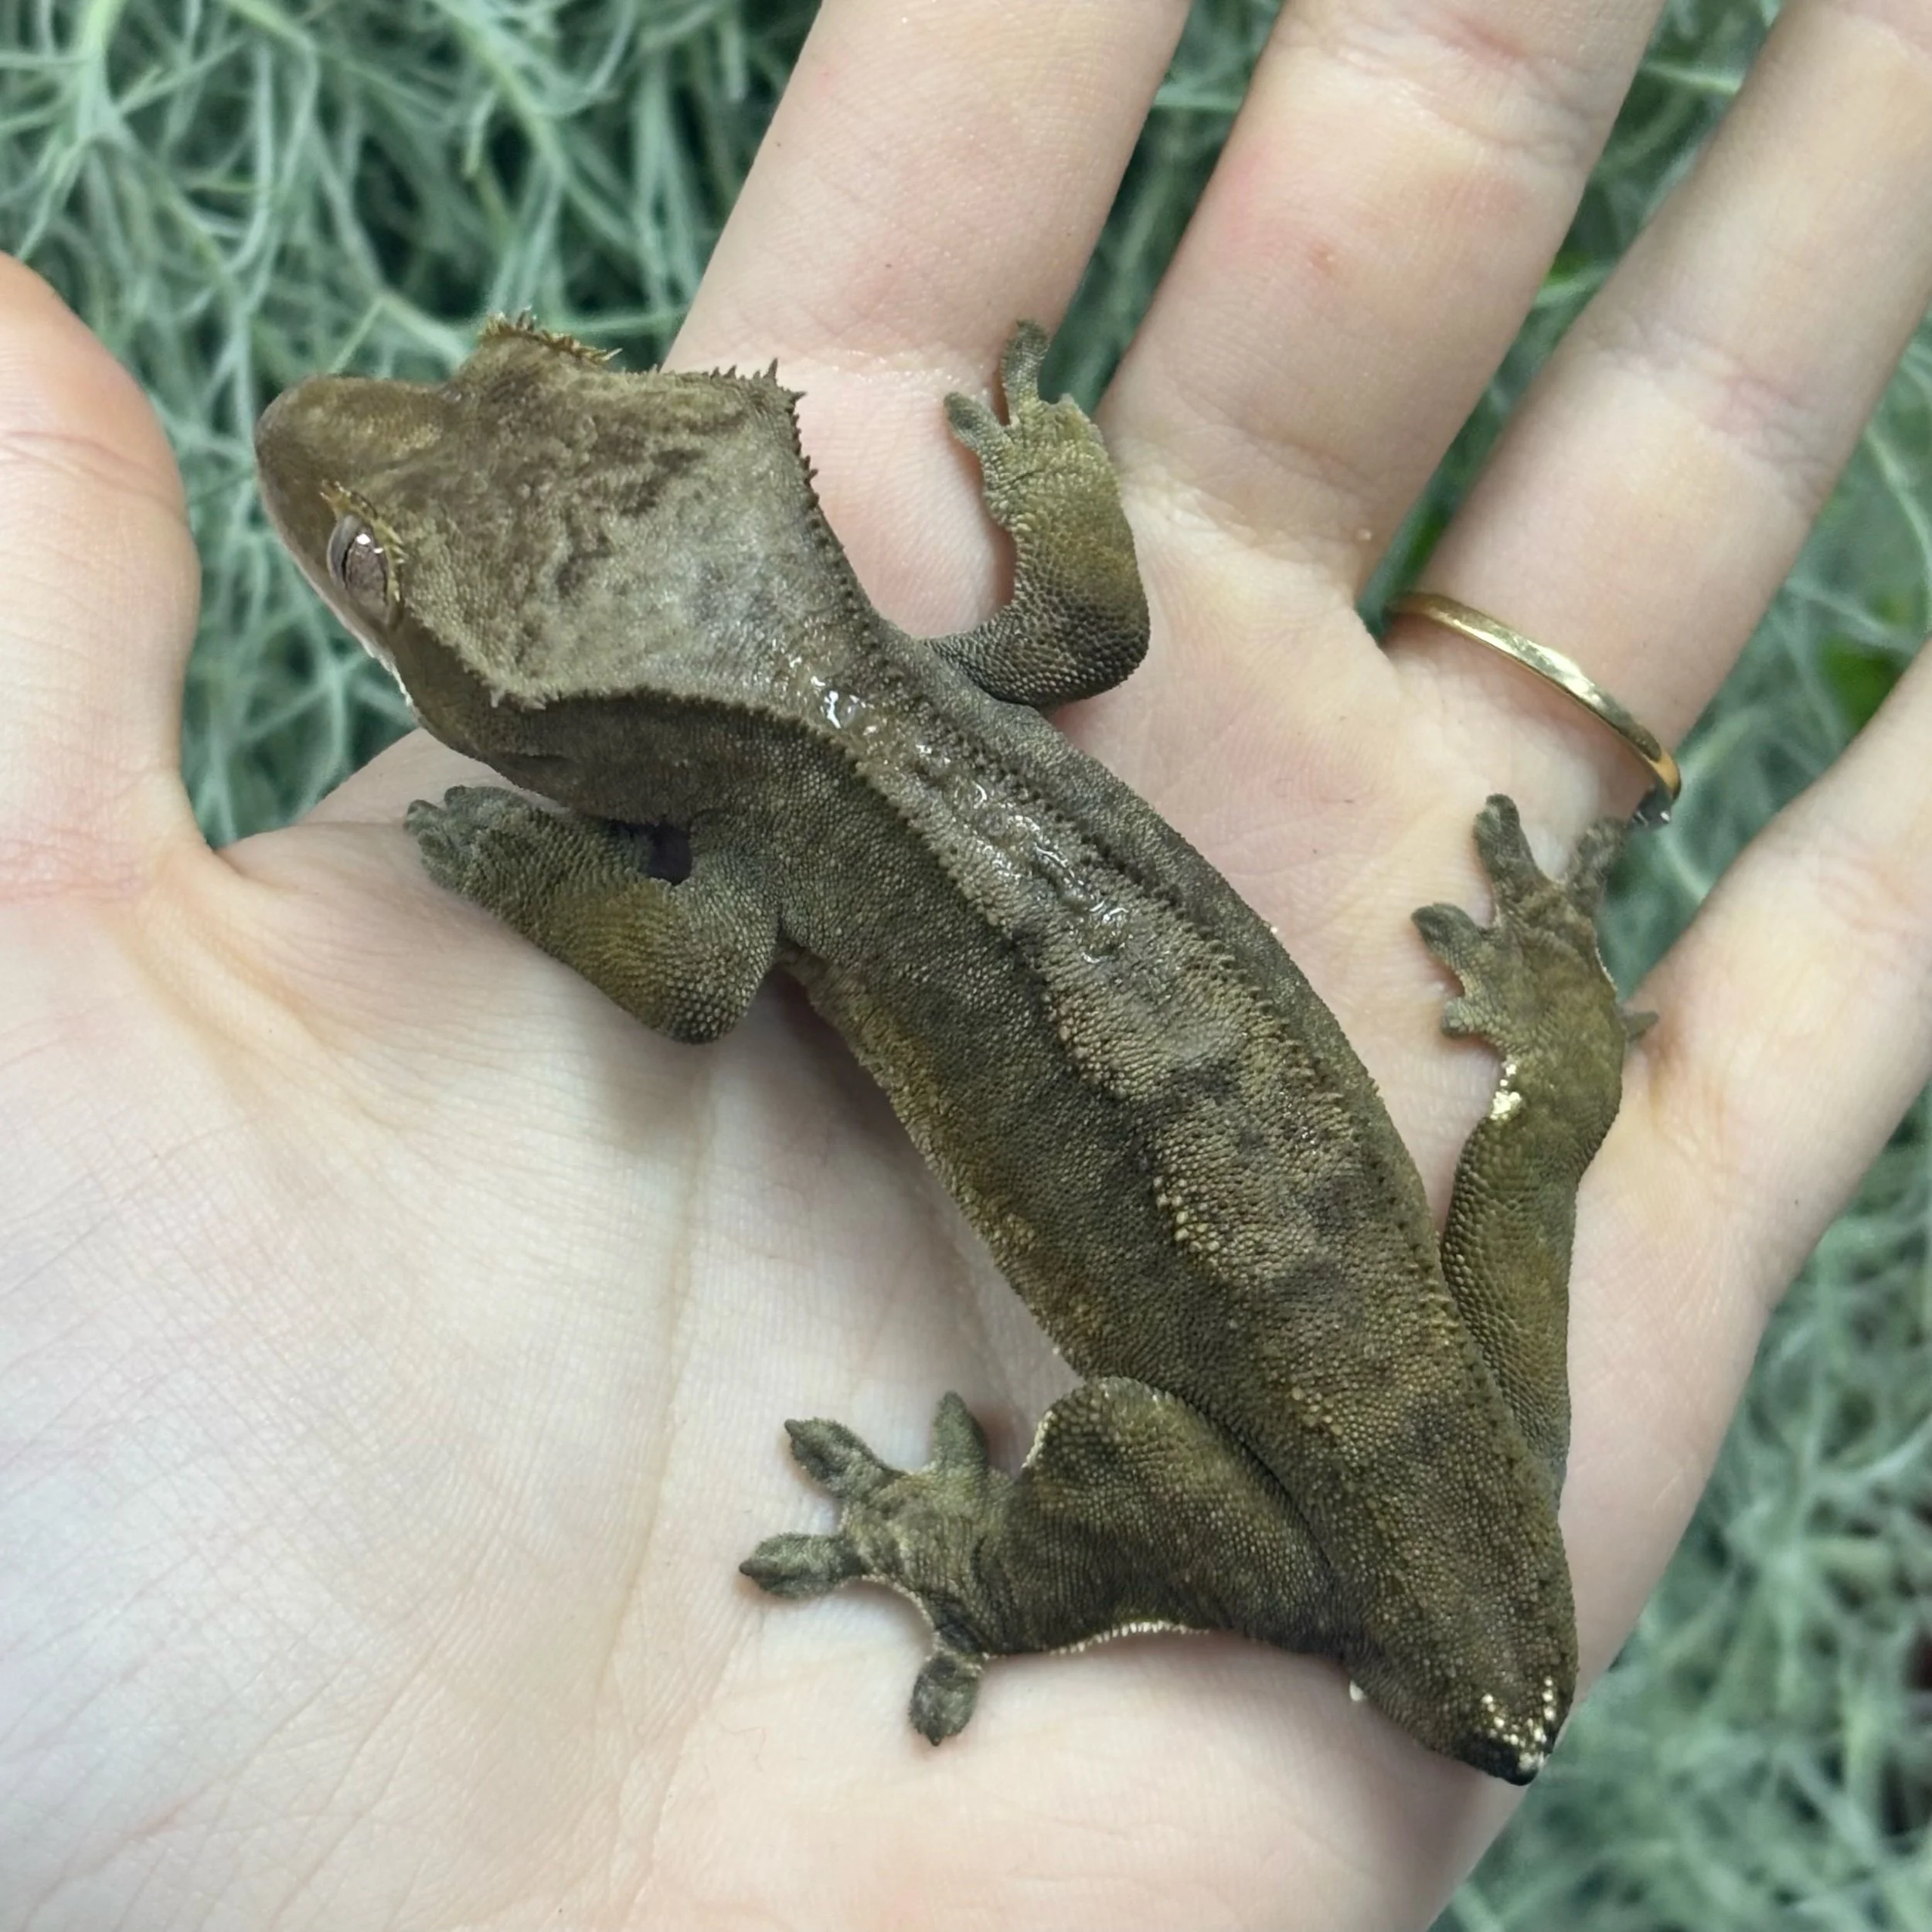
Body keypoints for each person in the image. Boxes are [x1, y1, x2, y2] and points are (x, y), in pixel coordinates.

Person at [3, 2, 1927, 1924]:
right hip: (1467, 1439)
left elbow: (690, 976)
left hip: (1332, 1554)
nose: (343, 482)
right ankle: (1562, 1051)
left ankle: (982, 1582)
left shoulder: (760, 835)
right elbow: (1083, 629)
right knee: (1519, 1155)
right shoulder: (934, 692)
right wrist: (1061, 489)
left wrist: (523, 865)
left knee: (1117, 1442)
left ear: (555, 722)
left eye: (373, 576)